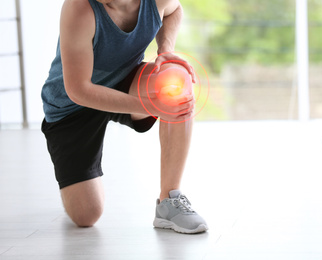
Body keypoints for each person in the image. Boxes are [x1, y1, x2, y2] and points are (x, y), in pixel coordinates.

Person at [41, 0, 208, 234]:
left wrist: (166, 50)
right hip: (71, 106)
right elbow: (78, 90)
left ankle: (169, 200)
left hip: (123, 81)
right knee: (87, 215)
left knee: (175, 80)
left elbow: (175, 9)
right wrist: (151, 106)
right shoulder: (79, 8)